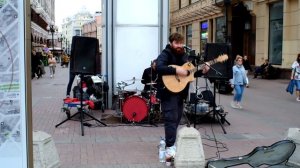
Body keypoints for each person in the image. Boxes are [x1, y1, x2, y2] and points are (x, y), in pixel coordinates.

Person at [156, 32, 209, 162]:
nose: (179, 45)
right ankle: (169, 147)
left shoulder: (184, 56)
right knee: (170, 118)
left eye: (181, 43)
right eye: (176, 43)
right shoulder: (166, 53)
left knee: (177, 119)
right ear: (171, 43)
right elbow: (159, 67)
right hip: (168, 92)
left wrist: (202, 71)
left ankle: (170, 143)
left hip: (180, 92)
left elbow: (189, 74)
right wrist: (176, 70)